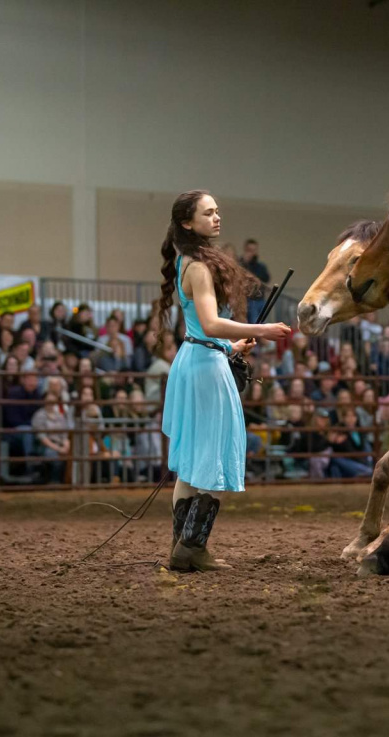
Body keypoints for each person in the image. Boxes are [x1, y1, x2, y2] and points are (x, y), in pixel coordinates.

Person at [157, 190, 291, 571]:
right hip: (204, 368)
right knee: (214, 456)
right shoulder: (198, 267)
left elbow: (205, 330)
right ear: (187, 222)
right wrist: (262, 329)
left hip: (195, 358)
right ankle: (192, 549)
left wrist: (230, 346)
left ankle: (181, 547)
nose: (217, 218)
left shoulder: (187, 261)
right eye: (209, 213)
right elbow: (212, 322)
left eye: (217, 212)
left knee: (189, 463)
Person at [240, 238, 271, 323]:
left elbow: (266, 278)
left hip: (260, 298)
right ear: (245, 250)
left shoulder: (260, 266)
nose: (252, 253)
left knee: (263, 322)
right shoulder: (240, 263)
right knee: (254, 322)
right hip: (248, 299)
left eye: (254, 250)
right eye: (249, 250)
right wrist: (245, 263)